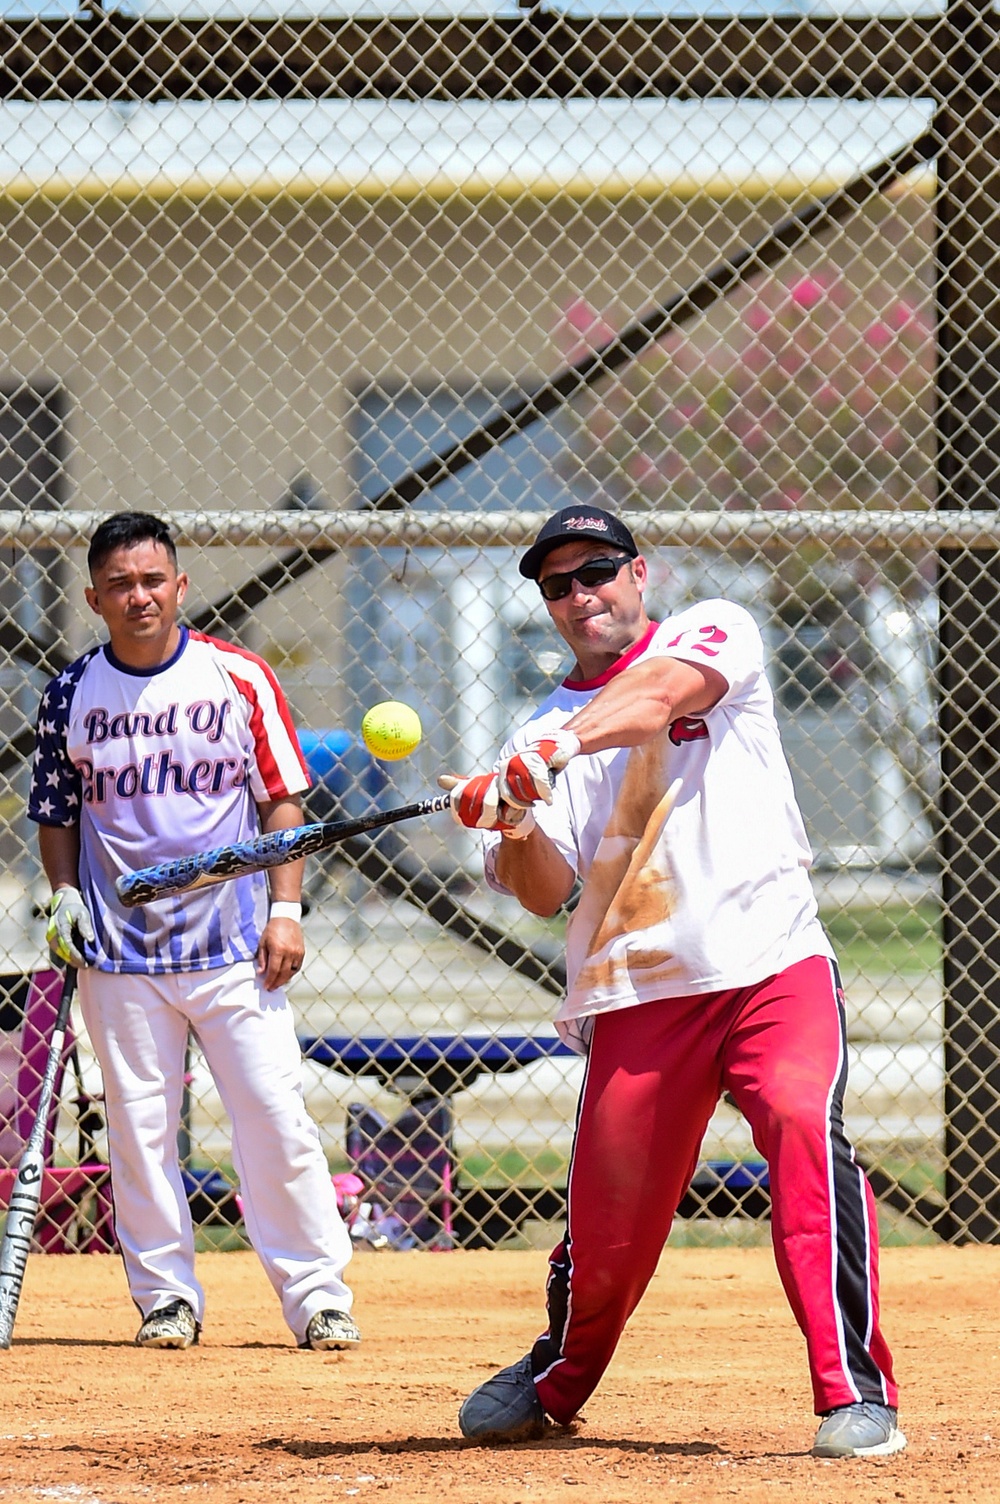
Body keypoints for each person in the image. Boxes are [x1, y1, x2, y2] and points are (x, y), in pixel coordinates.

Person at [440, 504, 904, 1459]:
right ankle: (559, 1374)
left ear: (638, 572)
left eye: (597, 571)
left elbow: (654, 698)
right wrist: (514, 819)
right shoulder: (540, 729)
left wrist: (549, 756)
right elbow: (545, 893)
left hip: (769, 966)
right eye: (556, 584)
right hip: (637, 996)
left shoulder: (713, 631)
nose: (580, 595)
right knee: (608, 1230)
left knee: (801, 1132)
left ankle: (854, 1391)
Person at [28, 510, 359, 1353]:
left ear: (178, 587)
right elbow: (58, 813)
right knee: (139, 1132)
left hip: (235, 946)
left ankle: (318, 1295)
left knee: (275, 1117)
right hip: (121, 952)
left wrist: (286, 909)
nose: (139, 596)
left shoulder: (235, 677)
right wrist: (64, 894)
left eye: (152, 581)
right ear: (95, 597)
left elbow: (283, 800)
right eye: (120, 585)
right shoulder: (71, 693)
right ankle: (166, 1298)